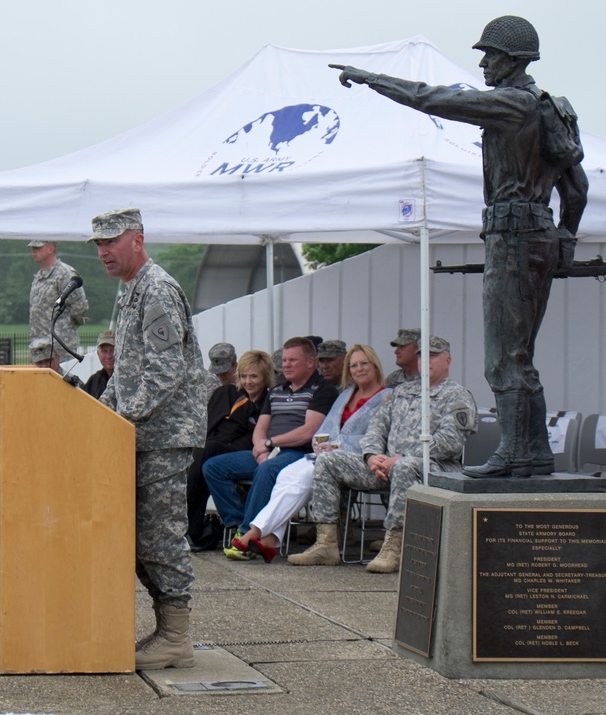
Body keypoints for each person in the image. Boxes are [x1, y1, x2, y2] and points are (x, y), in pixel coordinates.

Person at [330, 15, 588, 478]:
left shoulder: (513, 103)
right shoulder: (548, 107)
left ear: (511, 60)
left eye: (490, 55)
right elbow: (578, 188)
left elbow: (436, 99)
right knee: (520, 353)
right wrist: (565, 238)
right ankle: (533, 452)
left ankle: (513, 451)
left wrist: (373, 80)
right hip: (539, 233)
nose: (485, 64)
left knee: (502, 357)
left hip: (513, 236)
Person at [89, 207, 209, 670]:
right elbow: (124, 371)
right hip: (136, 436)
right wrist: (100, 416)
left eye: (111, 242)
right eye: (98, 245)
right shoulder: (130, 292)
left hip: (162, 437)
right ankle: (166, 630)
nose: (103, 252)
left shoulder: (156, 289)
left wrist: (122, 417)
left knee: (160, 537)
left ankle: (177, 636)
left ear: (136, 240)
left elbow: (166, 369)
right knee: (137, 538)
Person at [288, 337, 477, 572]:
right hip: (385, 465)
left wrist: (401, 457)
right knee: (328, 461)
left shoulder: (457, 396)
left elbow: (450, 443)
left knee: (405, 466)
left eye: (433, 355)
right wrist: (371, 455)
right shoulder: (401, 392)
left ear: (447, 360)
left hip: (435, 468)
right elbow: (376, 428)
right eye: (421, 355)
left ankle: (394, 547)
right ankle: (327, 543)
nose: (425, 360)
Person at [229, 344, 388, 563]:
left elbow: (379, 436)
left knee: (301, 479)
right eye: (353, 366)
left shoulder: (387, 397)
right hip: (326, 456)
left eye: (364, 364)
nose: (358, 369)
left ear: (375, 366)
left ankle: (256, 531)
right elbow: (324, 430)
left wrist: (337, 445)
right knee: (286, 475)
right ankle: (270, 538)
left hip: (360, 460)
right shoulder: (345, 395)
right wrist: (321, 444)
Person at [202, 336, 338, 550]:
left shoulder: (322, 390)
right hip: (270, 451)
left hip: (298, 454)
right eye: (284, 360)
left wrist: (269, 443)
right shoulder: (277, 391)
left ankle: (247, 536)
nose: (286, 365)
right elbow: (261, 427)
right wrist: (260, 447)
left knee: (266, 470)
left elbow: (308, 431)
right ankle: (237, 522)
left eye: (292, 360)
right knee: (213, 467)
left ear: (310, 362)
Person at [186, 350, 273, 552]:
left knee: (205, 453)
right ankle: (191, 526)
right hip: (215, 445)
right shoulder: (226, 393)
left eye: (254, 376)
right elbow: (208, 426)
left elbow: (256, 436)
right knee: (200, 453)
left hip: (248, 450)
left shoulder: (269, 400)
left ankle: (194, 528)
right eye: (244, 376)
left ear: (265, 377)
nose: (248, 381)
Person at [28, 239, 89, 359]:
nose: (33, 251)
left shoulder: (64, 273)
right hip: (39, 345)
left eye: (38, 248)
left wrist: (68, 325)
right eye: (33, 248)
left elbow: (80, 305)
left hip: (59, 346)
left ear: (51, 249)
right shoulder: (39, 276)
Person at [84, 330, 115, 400]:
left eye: (112, 351)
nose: (108, 356)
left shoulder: (127, 379)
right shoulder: (94, 381)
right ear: (98, 354)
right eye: (104, 351)